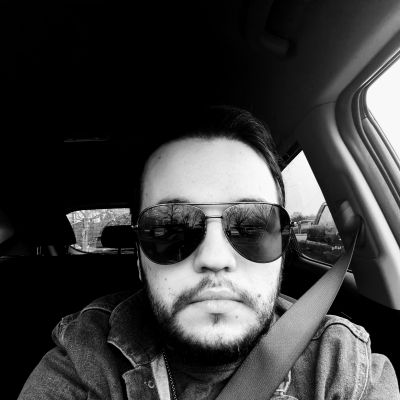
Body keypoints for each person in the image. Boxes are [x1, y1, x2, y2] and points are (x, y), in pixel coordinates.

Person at [18, 106, 399, 399]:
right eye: (171, 228)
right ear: (138, 259)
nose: (215, 258)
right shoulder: (83, 364)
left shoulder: (342, 369)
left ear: (283, 248)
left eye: (250, 226)